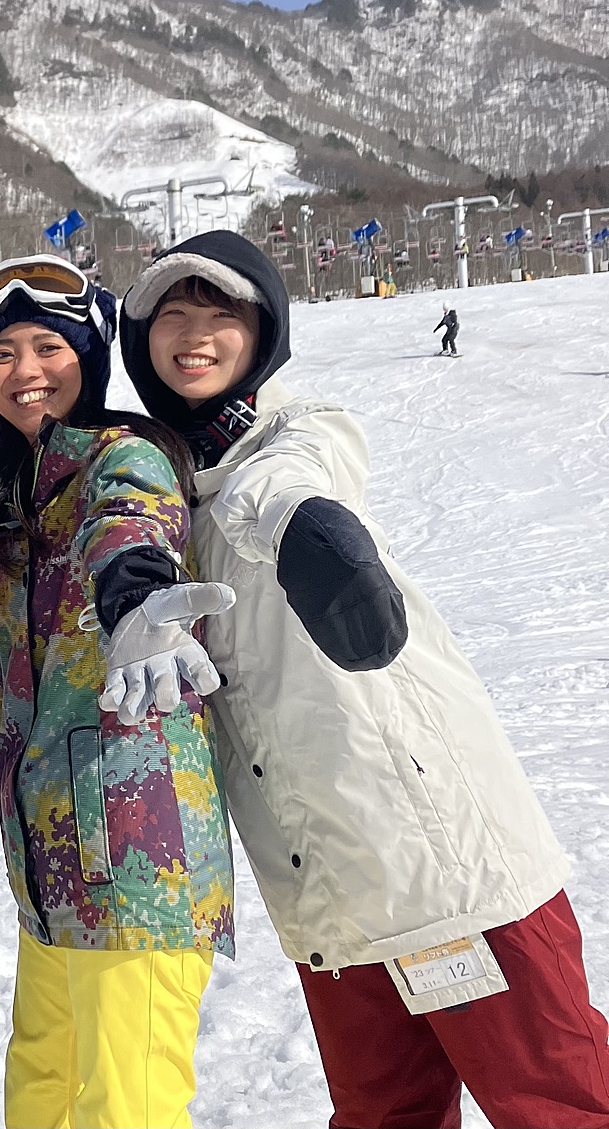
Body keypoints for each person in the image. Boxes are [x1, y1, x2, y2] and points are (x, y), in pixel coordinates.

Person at [118, 230, 609, 1129]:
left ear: (263, 332)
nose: (194, 336)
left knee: (558, 1104)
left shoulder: (300, 432)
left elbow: (287, 482)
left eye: (220, 315)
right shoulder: (156, 490)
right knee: (383, 1115)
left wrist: (310, 533)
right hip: (322, 898)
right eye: (173, 316)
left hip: (443, 866)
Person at [0, 253, 236, 1129]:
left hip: (138, 856)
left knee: (128, 1110)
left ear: (92, 351)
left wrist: (136, 597)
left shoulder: (127, 457)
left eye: (49, 346)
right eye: (4, 354)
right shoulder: (4, 489)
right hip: (52, 866)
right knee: (39, 1095)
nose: (26, 371)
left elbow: (130, 525)